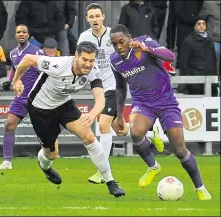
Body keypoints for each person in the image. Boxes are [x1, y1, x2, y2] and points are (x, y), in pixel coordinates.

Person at [109, 24, 211, 200]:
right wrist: (119, 115)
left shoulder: (144, 42)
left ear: (129, 38)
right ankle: (153, 166)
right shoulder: (114, 60)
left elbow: (170, 56)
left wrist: (147, 50)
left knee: (180, 150)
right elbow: (120, 87)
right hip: (143, 104)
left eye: (121, 42)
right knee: (135, 132)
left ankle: (200, 187)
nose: (119, 47)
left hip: (166, 102)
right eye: (114, 44)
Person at [11, 41, 125, 197]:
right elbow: (28, 59)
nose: (88, 64)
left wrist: (92, 114)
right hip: (40, 108)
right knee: (51, 154)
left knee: (89, 137)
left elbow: (100, 100)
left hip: (64, 104)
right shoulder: (57, 64)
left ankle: (110, 181)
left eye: (91, 61)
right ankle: (45, 166)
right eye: (84, 59)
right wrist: (16, 80)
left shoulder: (93, 71)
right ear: (76, 56)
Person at [78, 3, 164, 185]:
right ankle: (150, 133)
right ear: (87, 19)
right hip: (97, 88)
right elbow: (80, 60)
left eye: (97, 16)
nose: (94, 20)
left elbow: (126, 56)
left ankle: (103, 171)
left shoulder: (114, 36)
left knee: (103, 125)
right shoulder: (83, 38)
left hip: (113, 85)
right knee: (119, 129)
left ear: (103, 17)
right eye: (91, 17)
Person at [0, 24, 44, 170]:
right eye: (18, 32)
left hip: (36, 97)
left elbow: (45, 73)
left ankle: (47, 160)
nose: (21, 34)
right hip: (20, 97)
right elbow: (14, 70)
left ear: (28, 35)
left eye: (24, 32)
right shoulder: (13, 53)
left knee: (44, 130)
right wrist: (10, 81)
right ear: (15, 35)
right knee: (9, 125)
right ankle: (7, 162)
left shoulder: (37, 52)